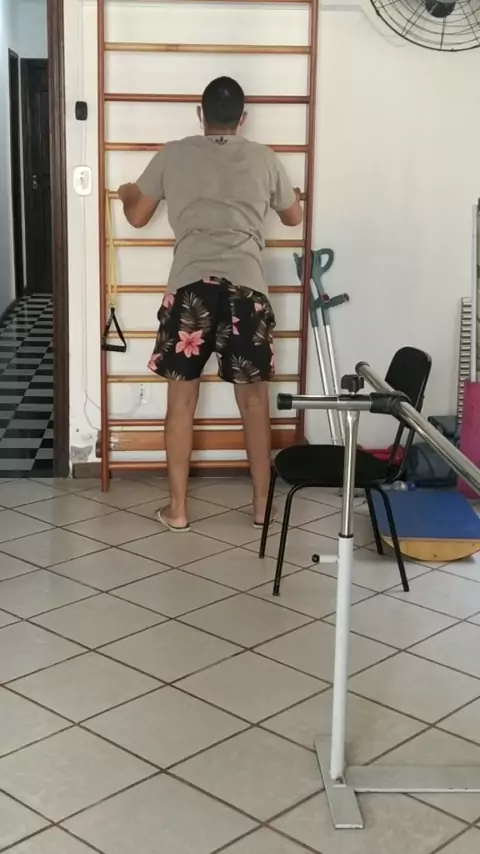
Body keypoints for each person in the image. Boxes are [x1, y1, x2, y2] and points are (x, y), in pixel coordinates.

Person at [118, 76, 303, 532]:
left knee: (181, 401)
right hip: (246, 290)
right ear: (243, 118)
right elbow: (293, 216)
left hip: (190, 288)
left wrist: (126, 192)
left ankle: (178, 510)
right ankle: (260, 508)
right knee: (254, 402)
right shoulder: (265, 158)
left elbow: (137, 216)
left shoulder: (174, 153)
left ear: (200, 115)